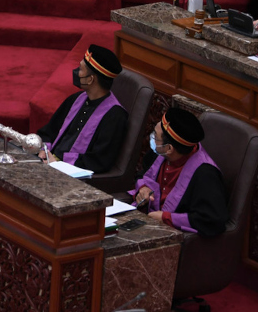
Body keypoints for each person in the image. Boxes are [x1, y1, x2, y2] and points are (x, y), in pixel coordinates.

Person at [131, 108, 228, 237]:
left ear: (169, 148)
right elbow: (142, 173)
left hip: (174, 236)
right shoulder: (160, 152)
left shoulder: (205, 174)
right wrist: (143, 188)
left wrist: (166, 218)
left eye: (156, 136)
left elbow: (211, 220)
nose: (152, 138)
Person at [37, 45, 129, 173]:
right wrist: (43, 149)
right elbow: (49, 132)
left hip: (72, 176)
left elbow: (99, 160)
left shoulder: (115, 116)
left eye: (80, 69)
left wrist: (59, 162)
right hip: (48, 162)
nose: (76, 72)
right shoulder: (76, 99)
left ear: (91, 79)